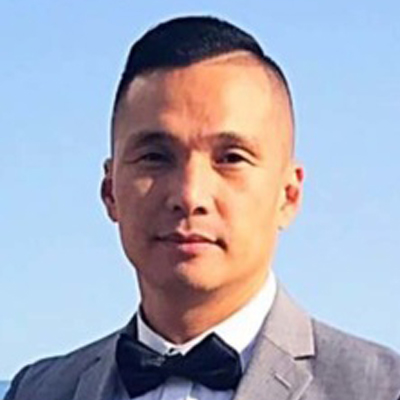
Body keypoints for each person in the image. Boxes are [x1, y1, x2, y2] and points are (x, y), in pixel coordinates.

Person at [5, 15, 400, 400]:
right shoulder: (39, 390)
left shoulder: (381, 388)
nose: (190, 195)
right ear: (110, 192)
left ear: (288, 194)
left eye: (230, 158)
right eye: (155, 157)